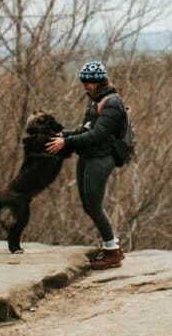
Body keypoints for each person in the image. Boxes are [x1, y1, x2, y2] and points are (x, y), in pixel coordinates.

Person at [45, 60, 127, 270]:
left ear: (99, 81)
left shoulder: (112, 104)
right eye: (84, 82)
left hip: (101, 159)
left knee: (94, 205)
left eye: (88, 83)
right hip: (88, 156)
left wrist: (67, 142)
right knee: (88, 204)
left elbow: (98, 134)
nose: (85, 87)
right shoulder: (96, 101)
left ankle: (112, 252)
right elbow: (85, 129)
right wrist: (65, 135)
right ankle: (112, 246)